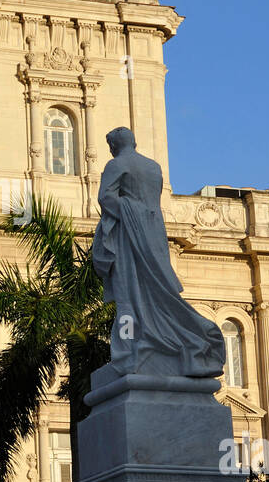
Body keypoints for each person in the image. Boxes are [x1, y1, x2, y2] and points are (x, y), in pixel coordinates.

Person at [92, 127, 225, 377]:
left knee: (127, 299)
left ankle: (127, 350)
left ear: (113, 146)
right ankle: (185, 338)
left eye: (110, 145)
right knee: (159, 290)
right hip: (154, 232)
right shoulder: (153, 167)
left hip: (127, 237)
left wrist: (126, 213)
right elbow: (151, 200)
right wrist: (140, 214)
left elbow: (105, 198)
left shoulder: (116, 164)